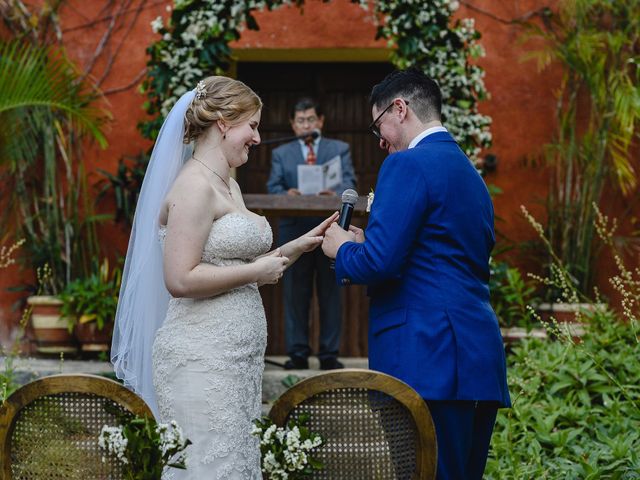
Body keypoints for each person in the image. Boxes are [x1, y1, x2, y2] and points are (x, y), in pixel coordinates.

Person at [111, 76, 337, 479]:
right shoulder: (194, 187)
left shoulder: (228, 185)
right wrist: (257, 270)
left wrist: (298, 245)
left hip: (237, 362)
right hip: (201, 359)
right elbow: (179, 278)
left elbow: (232, 263)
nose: (256, 137)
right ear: (222, 123)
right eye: (251, 126)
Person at [321, 68, 511, 480]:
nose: (381, 141)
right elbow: (437, 255)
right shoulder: (469, 173)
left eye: (379, 127)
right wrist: (367, 243)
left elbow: (379, 264)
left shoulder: (406, 165)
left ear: (400, 108)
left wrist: (343, 249)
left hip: (426, 354)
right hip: (475, 357)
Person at [266, 97, 356, 370]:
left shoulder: (339, 149)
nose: (306, 125)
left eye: (311, 119)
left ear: (321, 121)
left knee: (331, 292)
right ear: (293, 125)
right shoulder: (281, 153)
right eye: (301, 121)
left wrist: (336, 192)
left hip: (331, 229)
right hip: (295, 228)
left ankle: (329, 353)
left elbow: (350, 182)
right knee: (295, 293)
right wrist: (286, 195)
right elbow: (273, 187)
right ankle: (298, 353)